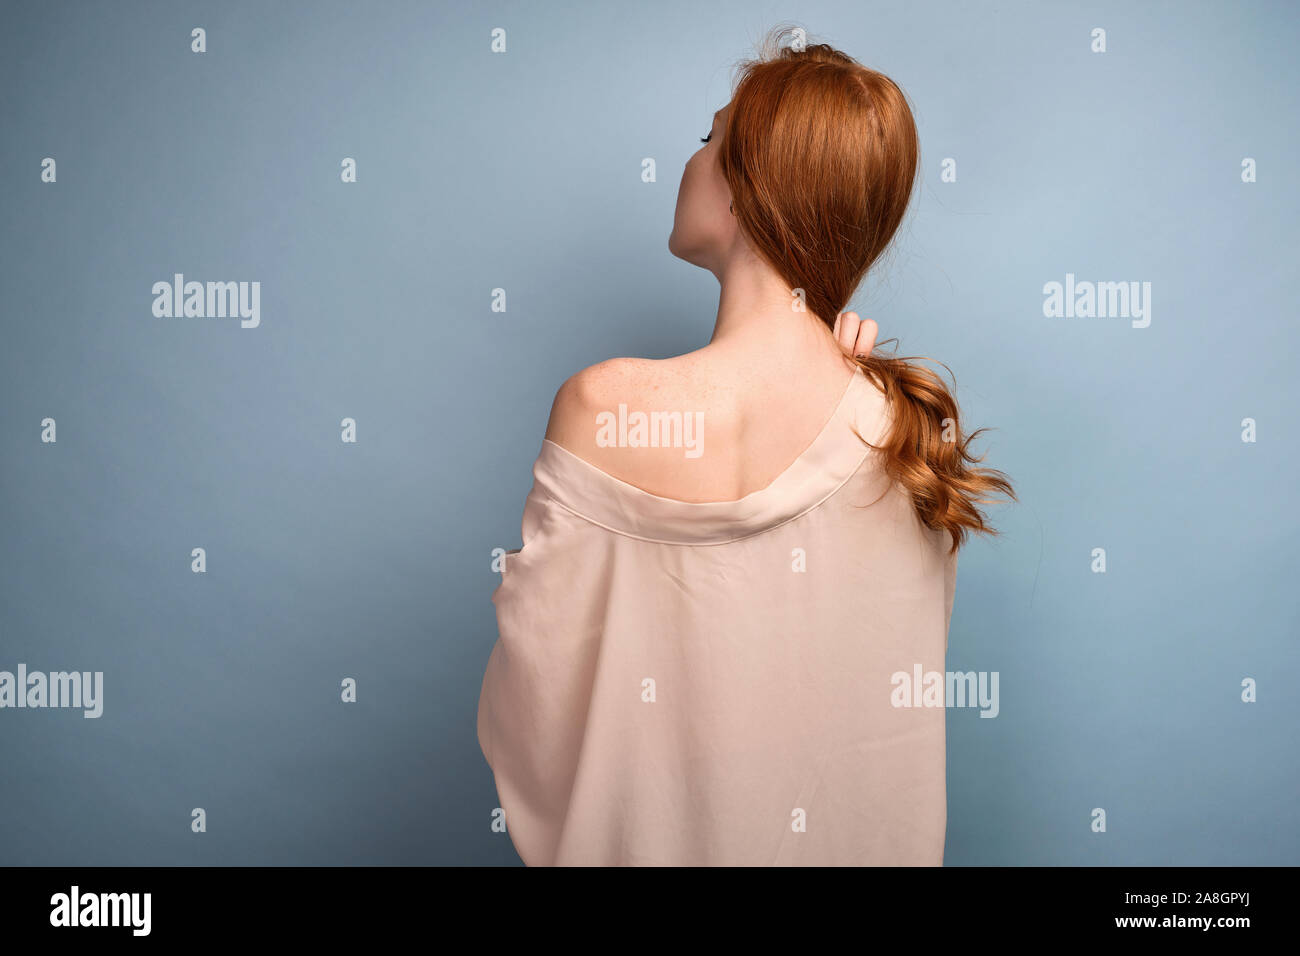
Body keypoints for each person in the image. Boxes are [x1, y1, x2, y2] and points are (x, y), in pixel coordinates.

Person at [477, 30, 1014, 866]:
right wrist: (844, 390)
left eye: (709, 138)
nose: (689, 160)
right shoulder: (909, 433)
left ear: (747, 184)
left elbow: (535, 710)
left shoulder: (602, 407)